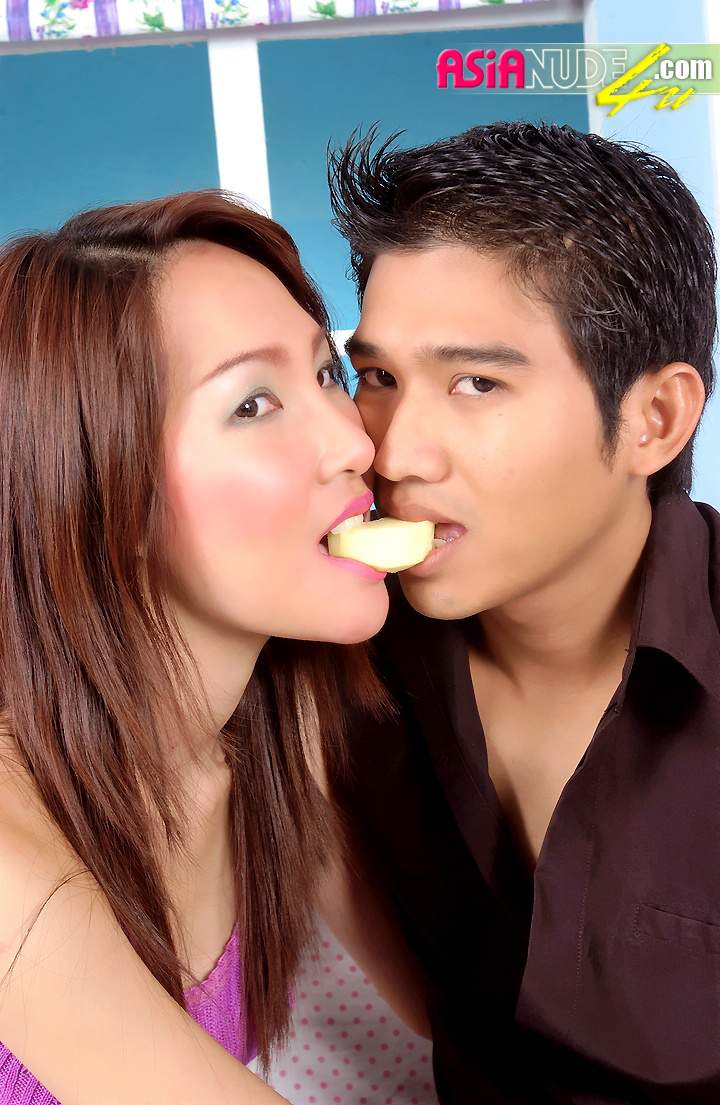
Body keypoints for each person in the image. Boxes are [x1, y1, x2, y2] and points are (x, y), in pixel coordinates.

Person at [327, 121, 720, 1104]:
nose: (395, 453)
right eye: (377, 378)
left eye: (477, 382)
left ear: (655, 419)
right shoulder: (333, 656)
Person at [0, 190, 417, 1105]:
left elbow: (448, 1020)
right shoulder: (9, 854)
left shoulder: (278, 736)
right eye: (253, 403)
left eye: (327, 373)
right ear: (105, 496)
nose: (353, 442)